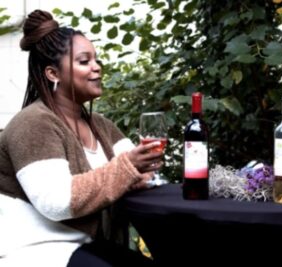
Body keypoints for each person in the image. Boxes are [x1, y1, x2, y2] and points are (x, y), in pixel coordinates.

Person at [0, 9, 162, 267]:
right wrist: (128, 169)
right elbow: (57, 201)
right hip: (38, 248)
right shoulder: (33, 123)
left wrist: (139, 168)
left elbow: (139, 171)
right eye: (84, 61)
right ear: (53, 74)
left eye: (96, 59)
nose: (97, 67)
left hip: (88, 244)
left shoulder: (101, 126)